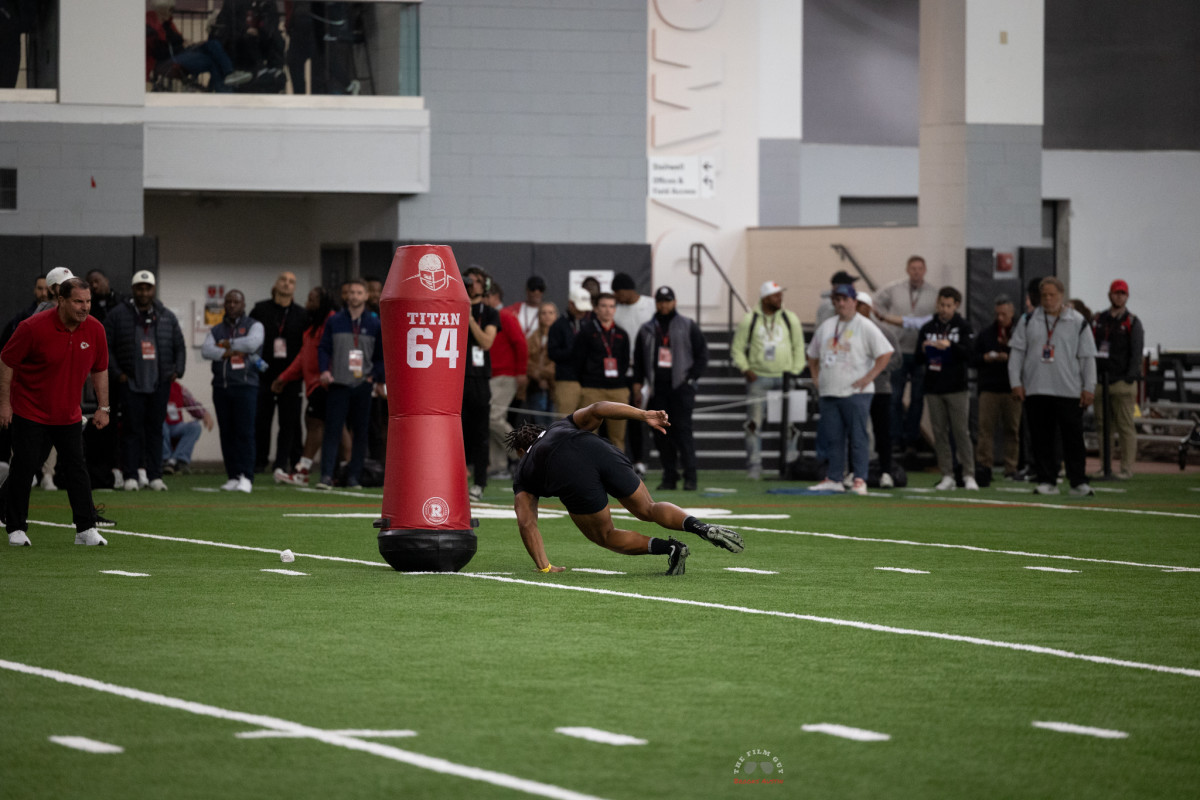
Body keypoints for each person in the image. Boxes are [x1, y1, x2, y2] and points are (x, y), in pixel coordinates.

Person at [506, 402, 745, 575]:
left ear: (520, 451)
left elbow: (527, 522)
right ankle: (699, 526)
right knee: (648, 508)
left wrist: (544, 566)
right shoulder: (560, 427)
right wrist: (643, 415)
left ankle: (671, 547)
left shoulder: (525, 466)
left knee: (605, 535)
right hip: (598, 449)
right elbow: (598, 408)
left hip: (571, 473)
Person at [2, 277, 110, 547]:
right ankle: (15, 527)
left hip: (68, 414)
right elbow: (6, 362)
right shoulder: (31, 327)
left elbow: (100, 368)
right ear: (60, 300)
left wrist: (103, 407)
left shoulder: (95, 329)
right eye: (78, 302)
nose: (84, 307)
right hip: (30, 411)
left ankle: (85, 528)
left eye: (88, 302)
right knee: (24, 467)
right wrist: (5, 404)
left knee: (77, 469)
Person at [1008, 277, 1097, 497]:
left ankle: (1078, 482)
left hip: (1069, 389)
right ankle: (1046, 480)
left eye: (1052, 295)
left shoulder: (1078, 321)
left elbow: (1087, 358)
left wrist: (1089, 388)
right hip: (1037, 388)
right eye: (1044, 295)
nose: (1048, 300)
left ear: (1061, 295)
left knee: (1073, 438)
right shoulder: (1028, 320)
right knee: (1041, 438)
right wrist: (1016, 383)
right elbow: (1017, 354)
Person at [806, 284, 894, 496]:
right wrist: (816, 377)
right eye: (837, 300)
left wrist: (869, 377)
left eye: (845, 299)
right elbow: (812, 353)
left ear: (854, 301)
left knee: (858, 437)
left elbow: (885, 352)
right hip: (830, 391)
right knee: (834, 438)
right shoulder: (827, 326)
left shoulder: (865, 326)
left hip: (856, 392)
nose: (841, 303)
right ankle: (835, 478)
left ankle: (859, 479)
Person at [104, 269, 186, 492]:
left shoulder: (166, 315)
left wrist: (178, 370)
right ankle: (130, 475)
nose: (143, 291)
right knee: (131, 431)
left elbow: (179, 346)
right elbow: (106, 347)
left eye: (147, 287)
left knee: (156, 431)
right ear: (133, 289)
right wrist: (117, 373)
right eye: (139, 287)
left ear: (153, 290)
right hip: (130, 382)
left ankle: (155, 476)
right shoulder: (118, 314)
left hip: (159, 383)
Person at [632, 287, 708, 491]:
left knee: (683, 432)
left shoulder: (687, 325)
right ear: (656, 303)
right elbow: (638, 361)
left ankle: (690, 477)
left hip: (681, 388)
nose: (663, 304)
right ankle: (669, 476)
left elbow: (702, 355)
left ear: (674, 302)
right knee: (661, 434)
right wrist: (638, 386)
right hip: (658, 390)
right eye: (660, 301)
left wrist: (691, 379)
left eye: (667, 300)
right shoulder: (647, 328)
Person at [730, 280, 806, 480]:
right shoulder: (750, 319)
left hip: (785, 377)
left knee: (790, 425)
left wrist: (795, 370)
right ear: (765, 298)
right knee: (753, 425)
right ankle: (754, 466)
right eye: (775, 295)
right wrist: (746, 369)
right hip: (759, 379)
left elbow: (799, 346)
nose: (780, 298)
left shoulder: (790, 319)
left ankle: (790, 465)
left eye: (780, 295)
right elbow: (737, 348)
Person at [272, 286, 344, 485]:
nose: (307, 303)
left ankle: (303, 470)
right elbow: (304, 356)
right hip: (314, 383)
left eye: (312, 299)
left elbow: (334, 351)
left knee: (316, 423)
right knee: (335, 426)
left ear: (322, 302)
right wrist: (284, 377)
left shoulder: (332, 320)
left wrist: (329, 374)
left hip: (326, 381)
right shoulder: (314, 324)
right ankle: (345, 470)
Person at [317, 279, 384, 490]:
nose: (354, 296)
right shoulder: (335, 321)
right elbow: (324, 348)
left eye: (359, 292)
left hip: (362, 384)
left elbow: (383, 355)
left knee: (361, 433)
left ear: (366, 296)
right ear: (346, 296)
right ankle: (327, 475)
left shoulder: (375, 323)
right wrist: (324, 370)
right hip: (338, 383)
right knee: (332, 430)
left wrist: (376, 376)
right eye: (351, 292)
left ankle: (355, 477)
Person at [873, 256, 939, 457]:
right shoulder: (894, 289)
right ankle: (895, 438)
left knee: (918, 398)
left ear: (925, 270)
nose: (916, 272)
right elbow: (876, 302)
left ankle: (911, 439)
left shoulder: (934, 293)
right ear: (907, 269)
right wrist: (883, 322)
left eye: (920, 268)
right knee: (894, 396)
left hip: (921, 351)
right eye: (913, 268)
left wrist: (888, 318)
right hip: (899, 349)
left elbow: (925, 322)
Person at [201, 289, 264, 493]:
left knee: (244, 432)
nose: (231, 305)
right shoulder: (217, 329)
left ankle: (247, 476)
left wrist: (227, 345)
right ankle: (233, 475)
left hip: (246, 386)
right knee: (227, 433)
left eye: (236, 301)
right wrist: (233, 350)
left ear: (243, 304)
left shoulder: (254, 325)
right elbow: (207, 350)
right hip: (221, 386)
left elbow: (252, 343)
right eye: (228, 302)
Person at [914, 286, 977, 490]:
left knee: (961, 432)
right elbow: (917, 358)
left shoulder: (964, 326)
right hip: (934, 387)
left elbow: (970, 355)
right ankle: (947, 474)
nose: (944, 309)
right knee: (939, 433)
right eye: (941, 304)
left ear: (956, 305)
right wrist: (925, 349)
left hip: (957, 387)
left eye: (948, 305)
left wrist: (950, 345)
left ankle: (968, 474)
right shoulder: (928, 327)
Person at [250, 271, 307, 482]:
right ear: (276, 284)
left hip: (291, 377)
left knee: (289, 423)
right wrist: (260, 368)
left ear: (294, 288)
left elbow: (305, 349)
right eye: (283, 280)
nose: (287, 284)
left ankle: (281, 464)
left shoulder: (301, 314)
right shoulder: (260, 310)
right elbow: (250, 343)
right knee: (261, 420)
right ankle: (259, 461)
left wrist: (289, 375)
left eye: (292, 281)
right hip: (264, 374)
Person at [1091, 279, 1145, 480]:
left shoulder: (1132, 322)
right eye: (1116, 293)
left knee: (1125, 426)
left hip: (1122, 382)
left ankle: (1126, 468)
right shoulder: (1099, 320)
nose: (1119, 296)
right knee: (1103, 426)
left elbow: (1136, 352)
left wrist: (1130, 378)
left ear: (1127, 296)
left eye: (1122, 293)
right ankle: (1105, 467)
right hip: (1101, 381)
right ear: (1110, 294)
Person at [145, 0, 249, 92]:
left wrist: (185, 42)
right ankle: (224, 86)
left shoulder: (168, 23)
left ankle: (227, 77)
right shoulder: (152, 25)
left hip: (182, 51)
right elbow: (159, 48)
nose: (171, 11)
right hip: (170, 58)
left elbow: (177, 39)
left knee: (213, 44)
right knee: (211, 59)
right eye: (170, 9)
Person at [460, 267, 500, 500]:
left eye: (476, 281)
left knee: (480, 433)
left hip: (479, 378)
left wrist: (470, 319)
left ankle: (479, 484)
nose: (471, 284)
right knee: (456, 432)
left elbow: (486, 342)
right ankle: (455, 479)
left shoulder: (491, 313)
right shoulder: (452, 307)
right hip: (456, 376)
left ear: (484, 286)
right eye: (468, 281)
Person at [574, 293, 632, 451]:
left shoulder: (621, 334)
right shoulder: (587, 332)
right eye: (604, 306)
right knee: (588, 436)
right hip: (592, 388)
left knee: (618, 437)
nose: (608, 310)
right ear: (596, 309)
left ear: (615, 309)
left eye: (611, 306)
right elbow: (578, 360)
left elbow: (625, 361)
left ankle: (620, 474)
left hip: (618, 389)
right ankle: (588, 473)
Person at [612, 272, 657, 474]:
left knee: (647, 416)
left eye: (618, 292)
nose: (616, 297)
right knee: (630, 417)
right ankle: (634, 459)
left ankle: (643, 459)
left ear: (628, 290)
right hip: (625, 371)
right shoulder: (616, 310)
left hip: (650, 371)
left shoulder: (651, 305)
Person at [854, 292, 900, 487]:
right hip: (857, 390)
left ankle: (886, 472)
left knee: (883, 432)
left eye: (860, 305)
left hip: (880, 388)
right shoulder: (850, 331)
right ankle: (856, 473)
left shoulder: (883, 331)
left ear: (869, 308)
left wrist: (875, 369)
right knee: (857, 432)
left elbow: (897, 360)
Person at [972, 295, 1021, 479]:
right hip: (989, 387)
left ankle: (1011, 468)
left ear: (1012, 313)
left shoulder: (1020, 332)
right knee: (985, 430)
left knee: (1012, 430)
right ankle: (984, 467)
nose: (1000, 318)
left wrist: (1010, 358)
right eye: (998, 314)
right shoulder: (986, 334)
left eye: (1004, 314)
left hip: (1012, 388)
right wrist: (986, 358)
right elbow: (973, 358)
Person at [486, 285, 529, 479]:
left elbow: (521, 343)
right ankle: (498, 465)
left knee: (493, 418)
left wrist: (520, 372)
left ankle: (524, 454)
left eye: (485, 296)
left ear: (495, 296)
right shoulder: (490, 316)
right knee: (493, 419)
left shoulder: (504, 315)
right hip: (493, 374)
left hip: (506, 375)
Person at [547, 287, 591, 415]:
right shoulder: (559, 325)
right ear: (571, 304)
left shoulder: (589, 324)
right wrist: (574, 350)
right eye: (579, 307)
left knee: (590, 423)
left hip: (589, 381)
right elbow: (552, 353)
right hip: (566, 380)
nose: (582, 311)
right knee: (565, 422)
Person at [162, 378, 213, 474]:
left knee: (195, 427)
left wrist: (205, 414)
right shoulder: (154, 386)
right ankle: (164, 459)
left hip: (175, 425)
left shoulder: (179, 388)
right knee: (159, 425)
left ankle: (178, 460)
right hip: (161, 425)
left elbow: (192, 404)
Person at [525, 302, 558, 415]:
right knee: (538, 423)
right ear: (539, 316)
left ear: (556, 315)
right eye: (543, 313)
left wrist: (545, 375)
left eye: (550, 313)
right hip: (535, 386)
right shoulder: (532, 337)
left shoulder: (561, 336)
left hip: (555, 385)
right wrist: (538, 376)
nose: (547, 316)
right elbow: (527, 359)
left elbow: (560, 360)